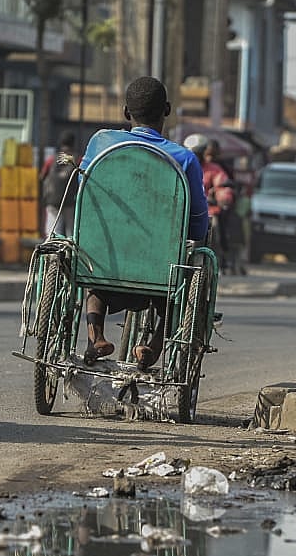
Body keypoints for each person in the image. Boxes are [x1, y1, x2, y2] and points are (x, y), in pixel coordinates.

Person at [79, 76, 209, 369]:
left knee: (95, 281)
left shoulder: (101, 143)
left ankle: (95, 334)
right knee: (177, 293)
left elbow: (83, 192)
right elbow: (198, 218)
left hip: (104, 261)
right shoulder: (184, 159)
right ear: (167, 110)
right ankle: (154, 346)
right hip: (160, 269)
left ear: (126, 112)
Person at [183, 134, 236, 275]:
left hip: (208, 211)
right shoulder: (181, 164)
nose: (196, 156)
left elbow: (223, 187)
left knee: (214, 226)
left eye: (200, 153)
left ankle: (212, 264)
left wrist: (223, 197)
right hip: (182, 211)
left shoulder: (214, 170)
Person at [40, 130, 78, 237]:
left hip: (53, 201)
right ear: (73, 144)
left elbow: (42, 176)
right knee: (72, 232)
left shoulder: (51, 160)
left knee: (53, 232)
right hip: (70, 202)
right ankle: (70, 252)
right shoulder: (78, 159)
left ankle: (53, 252)